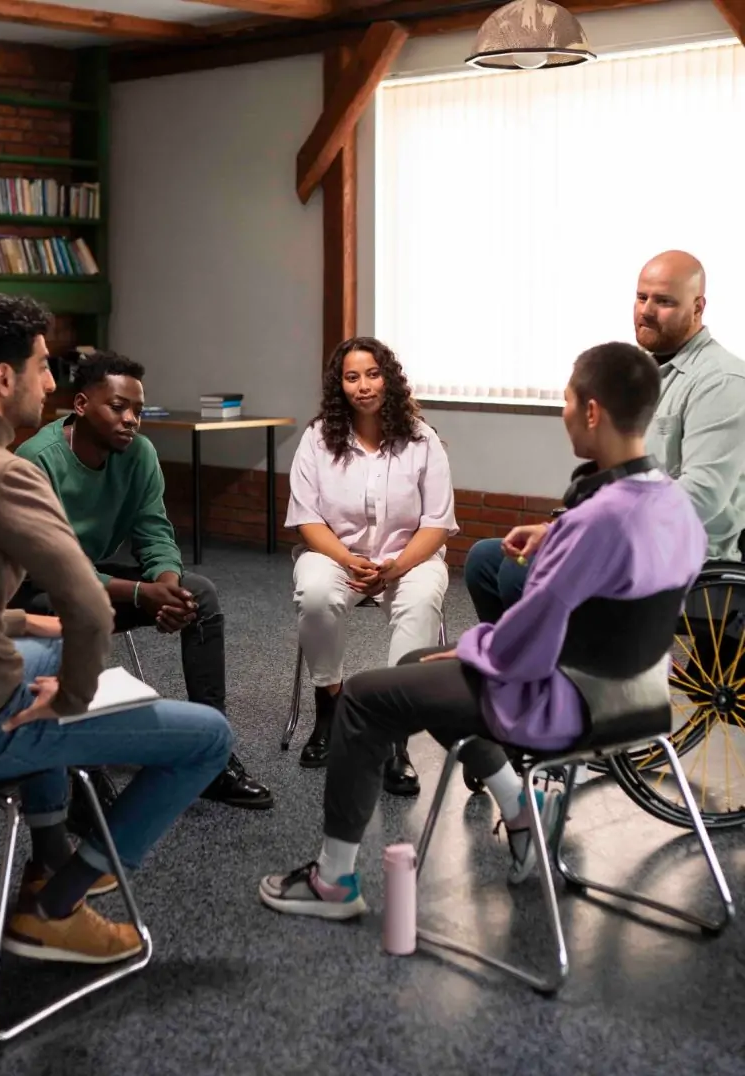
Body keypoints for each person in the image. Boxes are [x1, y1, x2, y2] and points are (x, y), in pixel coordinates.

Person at [258, 341, 707, 917]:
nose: (565, 412)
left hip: (566, 702)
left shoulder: (594, 519)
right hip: (641, 697)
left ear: (592, 412)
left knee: (368, 696)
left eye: (568, 400)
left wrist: (471, 649)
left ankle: (333, 883)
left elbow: (526, 644)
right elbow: (629, 579)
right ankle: (520, 805)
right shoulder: (671, 503)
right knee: (417, 667)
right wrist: (559, 538)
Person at [0, 293, 234, 963]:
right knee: (209, 737)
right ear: (4, 380)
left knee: (44, 648)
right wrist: (70, 697)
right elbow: (88, 607)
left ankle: (48, 853)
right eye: (41, 367)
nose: (51, 383)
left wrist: (20, 621)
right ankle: (57, 909)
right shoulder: (10, 472)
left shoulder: (127, 458)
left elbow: (149, 537)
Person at [13, 350, 272, 814]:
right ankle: (76, 777)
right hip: (38, 590)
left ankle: (212, 756)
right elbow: (48, 564)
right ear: (81, 405)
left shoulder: (140, 454)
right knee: (59, 606)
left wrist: (168, 590)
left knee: (202, 595)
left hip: (97, 580)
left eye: (137, 409)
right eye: (118, 407)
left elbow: (154, 532)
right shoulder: (37, 460)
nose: (131, 419)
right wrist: (138, 593)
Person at [465, 250, 745, 624]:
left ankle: (566, 676)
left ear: (698, 307)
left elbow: (701, 496)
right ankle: (516, 673)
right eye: (642, 297)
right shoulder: (639, 372)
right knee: (485, 559)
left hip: (686, 556)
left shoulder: (721, 382)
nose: (646, 310)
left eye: (663, 301)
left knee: (525, 572)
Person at [285, 336, 458, 796]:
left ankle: (394, 736)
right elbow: (306, 518)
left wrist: (397, 567)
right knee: (317, 593)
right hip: (336, 555)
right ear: (339, 386)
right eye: (351, 377)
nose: (363, 385)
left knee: (422, 602)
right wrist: (347, 559)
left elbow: (437, 524)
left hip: (409, 558)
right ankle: (330, 708)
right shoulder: (318, 438)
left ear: (390, 378)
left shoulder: (423, 440)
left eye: (373, 374)